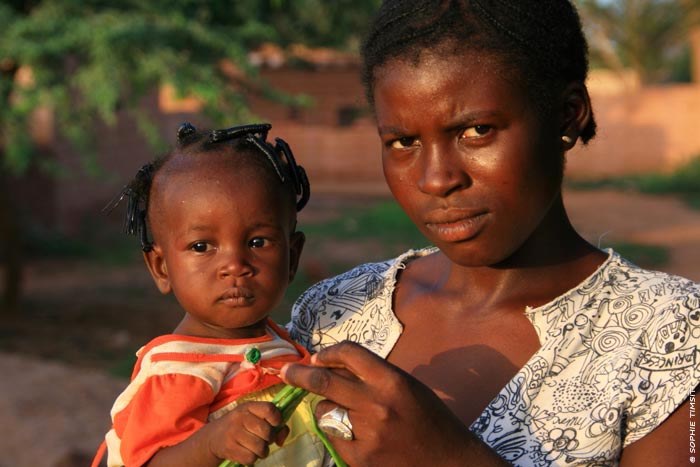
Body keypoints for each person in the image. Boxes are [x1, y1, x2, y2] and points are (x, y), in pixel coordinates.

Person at [281, 1, 700, 466]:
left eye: (477, 130)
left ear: (567, 115)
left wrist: (448, 458)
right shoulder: (333, 313)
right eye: (403, 142)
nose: (437, 179)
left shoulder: (670, 334)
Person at [92, 122, 327, 467]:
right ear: (161, 267)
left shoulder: (282, 346)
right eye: (202, 246)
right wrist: (212, 443)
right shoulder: (180, 372)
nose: (234, 265)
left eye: (257, 242)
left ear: (292, 256)